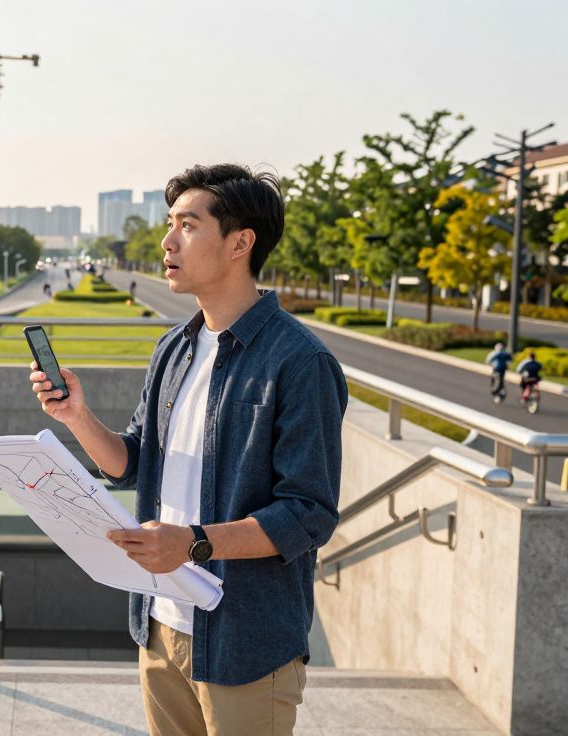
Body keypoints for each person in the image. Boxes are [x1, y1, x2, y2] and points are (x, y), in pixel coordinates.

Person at [28, 164, 347, 736]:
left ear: (240, 244)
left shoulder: (301, 363)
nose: (166, 241)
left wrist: (192, 543)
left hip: (246, 643)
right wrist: (75, 415)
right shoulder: (175, 347)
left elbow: (308, 514)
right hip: (159, 626)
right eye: (169, 224)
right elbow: (133, 462)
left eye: (187, 225)